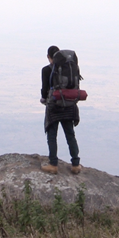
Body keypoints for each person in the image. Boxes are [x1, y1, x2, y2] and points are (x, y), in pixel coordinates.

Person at [40, 45, 82, 174]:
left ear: (49, 57)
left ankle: (53, 164)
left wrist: (43, 99)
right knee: (70, 134)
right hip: (69, 105)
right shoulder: (71, 68)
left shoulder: (46, 70)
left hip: (54, 106)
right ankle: (75, 164)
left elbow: (44, 89)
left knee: (52, 135)